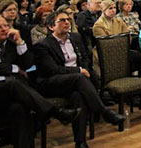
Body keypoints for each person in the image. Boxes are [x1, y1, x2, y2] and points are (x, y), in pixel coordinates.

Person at [0, 15, 79, 148]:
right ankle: (55, 112)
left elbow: (28, 64)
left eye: (6, 25)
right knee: (12, 84)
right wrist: (15, 68)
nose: (5, 29)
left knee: (20, 109)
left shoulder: (10, 43)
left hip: (11, 94)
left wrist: (20, 42)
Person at [34, 10, 126, 147]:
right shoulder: (43, 45)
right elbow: (52, 70)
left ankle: (80, 142)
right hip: (53, 82)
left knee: (79, 97)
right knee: (78, 77)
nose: (66, 22)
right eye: (62, 20)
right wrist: (79, 70)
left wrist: (84, 69)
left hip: (77, 83)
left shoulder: (75, 38)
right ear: (51, 27)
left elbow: (84, 58)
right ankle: (104, 111)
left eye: (67, 20)